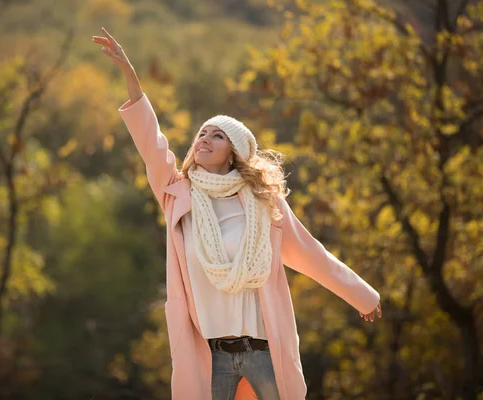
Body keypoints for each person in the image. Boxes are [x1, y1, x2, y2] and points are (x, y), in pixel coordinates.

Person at [92, 27, 383, 400]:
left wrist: (363, 296)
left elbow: (310, 253)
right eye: (202, 134)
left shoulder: (264, 203)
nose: (203, 140)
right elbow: (152, 143)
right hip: (209, 354)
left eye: (216, 136)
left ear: (235, 152)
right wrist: (131, 77)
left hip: (263, 351)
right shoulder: (177, 195)